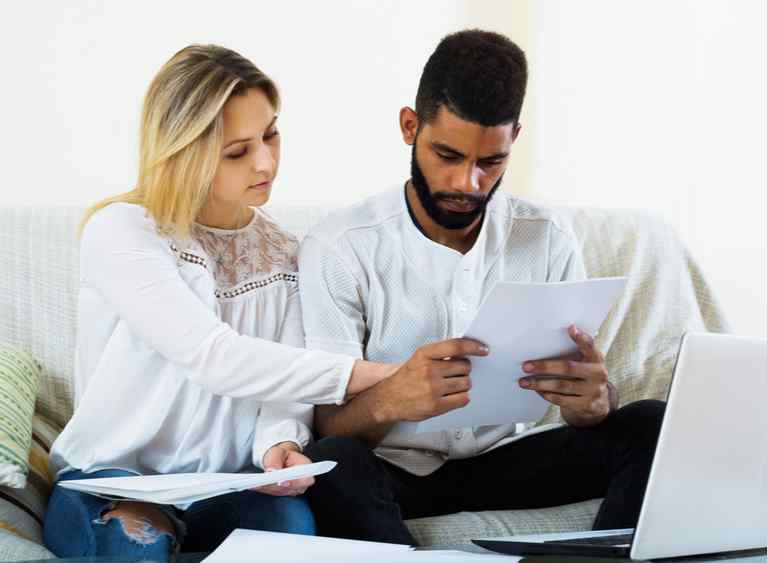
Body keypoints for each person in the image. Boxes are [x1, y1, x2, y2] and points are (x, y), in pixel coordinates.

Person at [43, 44, 486, 559]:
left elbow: (285, 388)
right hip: (114, 482)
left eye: (271, 134)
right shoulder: (123, 231)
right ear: (183, 151)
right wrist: (388, 375)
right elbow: (216, 358)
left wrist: (282, 445)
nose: (266, 161)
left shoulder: (285, 252)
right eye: (237, 151)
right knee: (137, 548)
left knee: (292, 531)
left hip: (224, 486)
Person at [299, 29, 666, 544]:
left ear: (514, 138)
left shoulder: (549, 238)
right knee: (330, 461)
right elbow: (326, 424)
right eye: (447, 156)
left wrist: (593, 403)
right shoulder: (340, 247)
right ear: (410, 127)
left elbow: (583, 390)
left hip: (508, 460)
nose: (467, 183)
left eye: (490, 162)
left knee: (650, 423)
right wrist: (392, 400)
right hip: (395, 470)